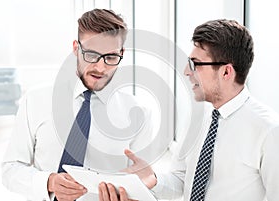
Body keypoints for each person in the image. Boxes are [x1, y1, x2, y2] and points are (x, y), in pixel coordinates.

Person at [99, 19, 279, 201]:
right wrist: (152, 179)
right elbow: (182, 181)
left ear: (226, 72)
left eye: (196, 64)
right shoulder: (198, 120)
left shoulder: (269, 130)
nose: (186, 71)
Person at [2, 8, 155, 201]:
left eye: (111, 57)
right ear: (76, 48)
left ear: (121, 53)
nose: (100, 67)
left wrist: (136, 192)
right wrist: (48, 181)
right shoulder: (35, 100)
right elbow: (10, 169)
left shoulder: (139, 113)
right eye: (91, 54)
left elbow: (142, 182)